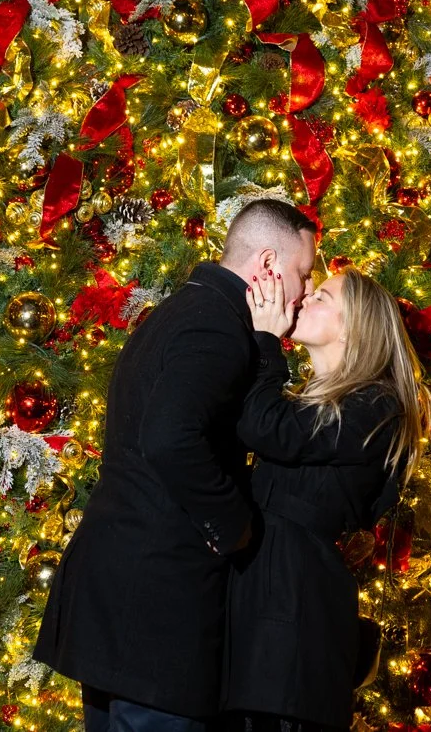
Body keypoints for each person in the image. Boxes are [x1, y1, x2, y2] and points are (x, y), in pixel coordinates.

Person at [33, 198, 319, 732]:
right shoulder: (216, 326)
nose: (302, 293)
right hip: (156, 605)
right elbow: (168, 437)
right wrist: (234, 526)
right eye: (303, 274)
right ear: (267, 266)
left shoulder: (185, 308)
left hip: (121, 596)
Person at [222, 267, 431, 732]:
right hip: (267, 593)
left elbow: (269, 428)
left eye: (321, 297)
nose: (302, 300)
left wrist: (265, 341)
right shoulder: (313, 401)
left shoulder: (379, 405)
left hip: (296, 608)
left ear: (356, 325)